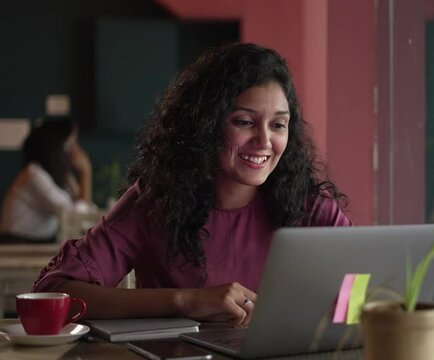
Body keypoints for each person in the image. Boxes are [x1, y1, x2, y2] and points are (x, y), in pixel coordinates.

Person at [31, 43, 351, 326]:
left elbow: (359, 296)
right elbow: (54, 292)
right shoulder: (154, 203)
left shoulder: (312, 208)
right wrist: (186, 301)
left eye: (278, 125)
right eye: (244, 122)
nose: (264, 141)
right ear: (207, 125)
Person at [0, 117, 93, 242]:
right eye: (70, 144)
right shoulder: (34, 174)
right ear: (56, 147)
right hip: (17, 246)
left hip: (34, 245)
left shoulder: (53, 177)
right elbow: (76, 216)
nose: (75, 151)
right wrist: (86, 174)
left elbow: (87, 212)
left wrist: (72, 181)